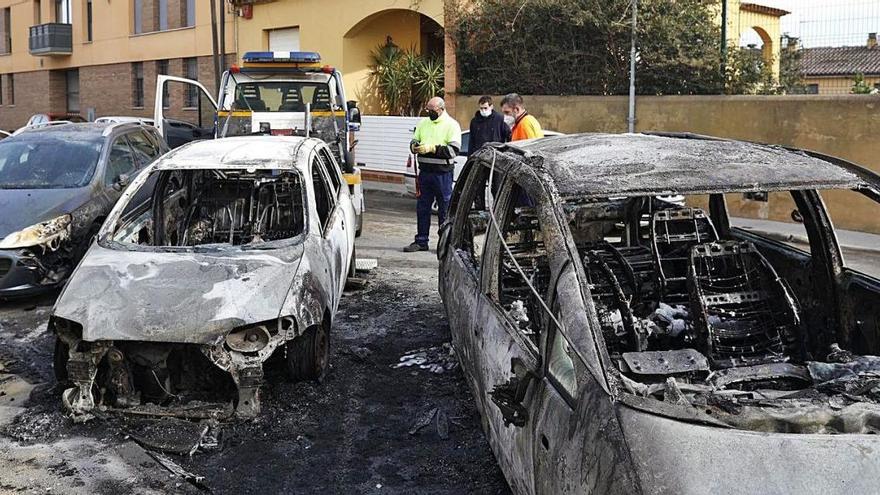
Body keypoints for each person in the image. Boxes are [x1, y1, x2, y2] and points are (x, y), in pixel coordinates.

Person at [403, 96, 462, 252]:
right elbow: (413, 140)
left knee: (444, 210)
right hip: (425, 173)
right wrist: (415, 146)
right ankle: (421, 241)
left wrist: (433, 148)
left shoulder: (452, 125)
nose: (429, 112)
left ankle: (445, 243)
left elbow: (453, 151)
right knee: (422, 208)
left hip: (442, 174)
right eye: (427, 109)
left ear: (441, 109)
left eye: (432, 110)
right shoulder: (423, 123)